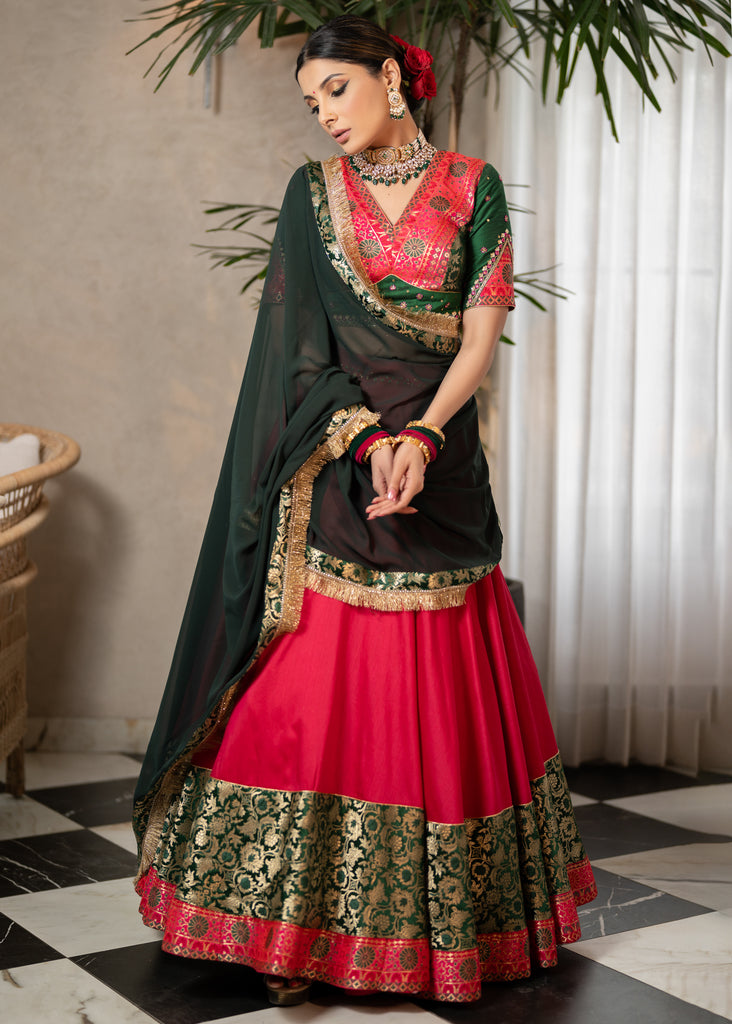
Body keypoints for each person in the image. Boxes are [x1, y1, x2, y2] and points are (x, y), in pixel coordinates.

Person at [133, 14, 597, 1006]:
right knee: (307, 693)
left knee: (448, 690)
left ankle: (445, 928)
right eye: (311, 104)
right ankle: (291, 920)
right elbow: (303, 351)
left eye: (336, 91)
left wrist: (423, 437)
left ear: (391, 77)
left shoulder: (475, 187)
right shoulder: (311, 198)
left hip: (443, 466)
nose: (324, 116)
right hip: (342, 463)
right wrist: (369, 438)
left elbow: (479, 340)